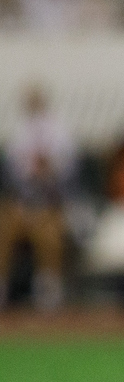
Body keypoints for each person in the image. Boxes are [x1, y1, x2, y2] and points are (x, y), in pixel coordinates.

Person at [0, 86, 77, 312]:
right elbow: (12, 176)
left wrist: (49, 168)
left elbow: (68, 173)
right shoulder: (19, 134)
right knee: (4, 227)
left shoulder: (60, 132)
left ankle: (47, 291)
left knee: (49, 232)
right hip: (23, 205)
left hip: (51, 204)